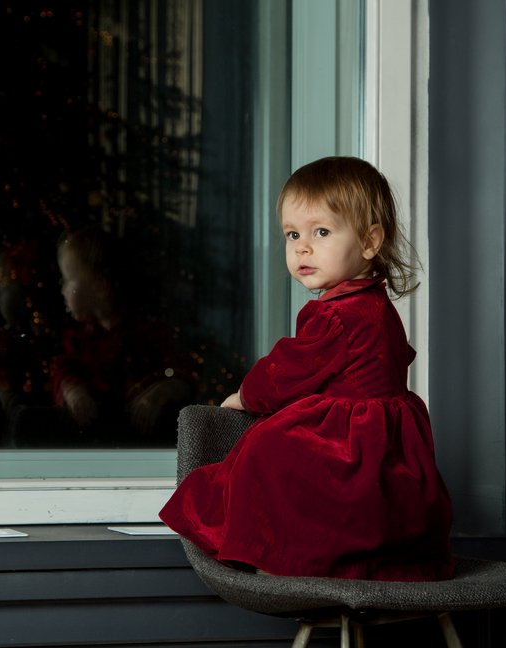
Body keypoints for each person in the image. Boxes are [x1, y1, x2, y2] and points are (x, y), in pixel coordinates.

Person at [159, 157, 455, 581]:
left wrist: (244, 396)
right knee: (290, 459)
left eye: (321, 232)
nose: (302, 247)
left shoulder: (336, 315)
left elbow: (285, 372)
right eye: (292, 234)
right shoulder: (377, 305)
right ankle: (356, 557)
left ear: (369, 241)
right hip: (390, 438)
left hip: (356, 442)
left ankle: (278, 553)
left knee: (266, 450)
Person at [51, 225, 191, 444]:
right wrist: (72, 390)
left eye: (68, 279)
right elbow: (63, 369)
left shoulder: (146, 332)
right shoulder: (78, 337)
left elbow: (181, 371)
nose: (63, 289)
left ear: (99, 285)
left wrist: (162, 391)